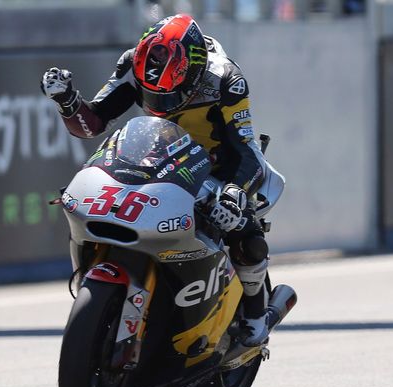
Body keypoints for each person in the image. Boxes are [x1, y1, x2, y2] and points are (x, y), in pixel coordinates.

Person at [41, 14, 270, 347]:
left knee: (242, 231)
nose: (162, 103)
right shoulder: (134, 64)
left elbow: (248, 152)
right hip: (159, 157)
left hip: (216, 167)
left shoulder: (225, 79)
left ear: (194, 72)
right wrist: (67, 102)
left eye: (171, 95)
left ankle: (255, 314)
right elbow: (92, 123)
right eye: (152, 95)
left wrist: (234, 193)